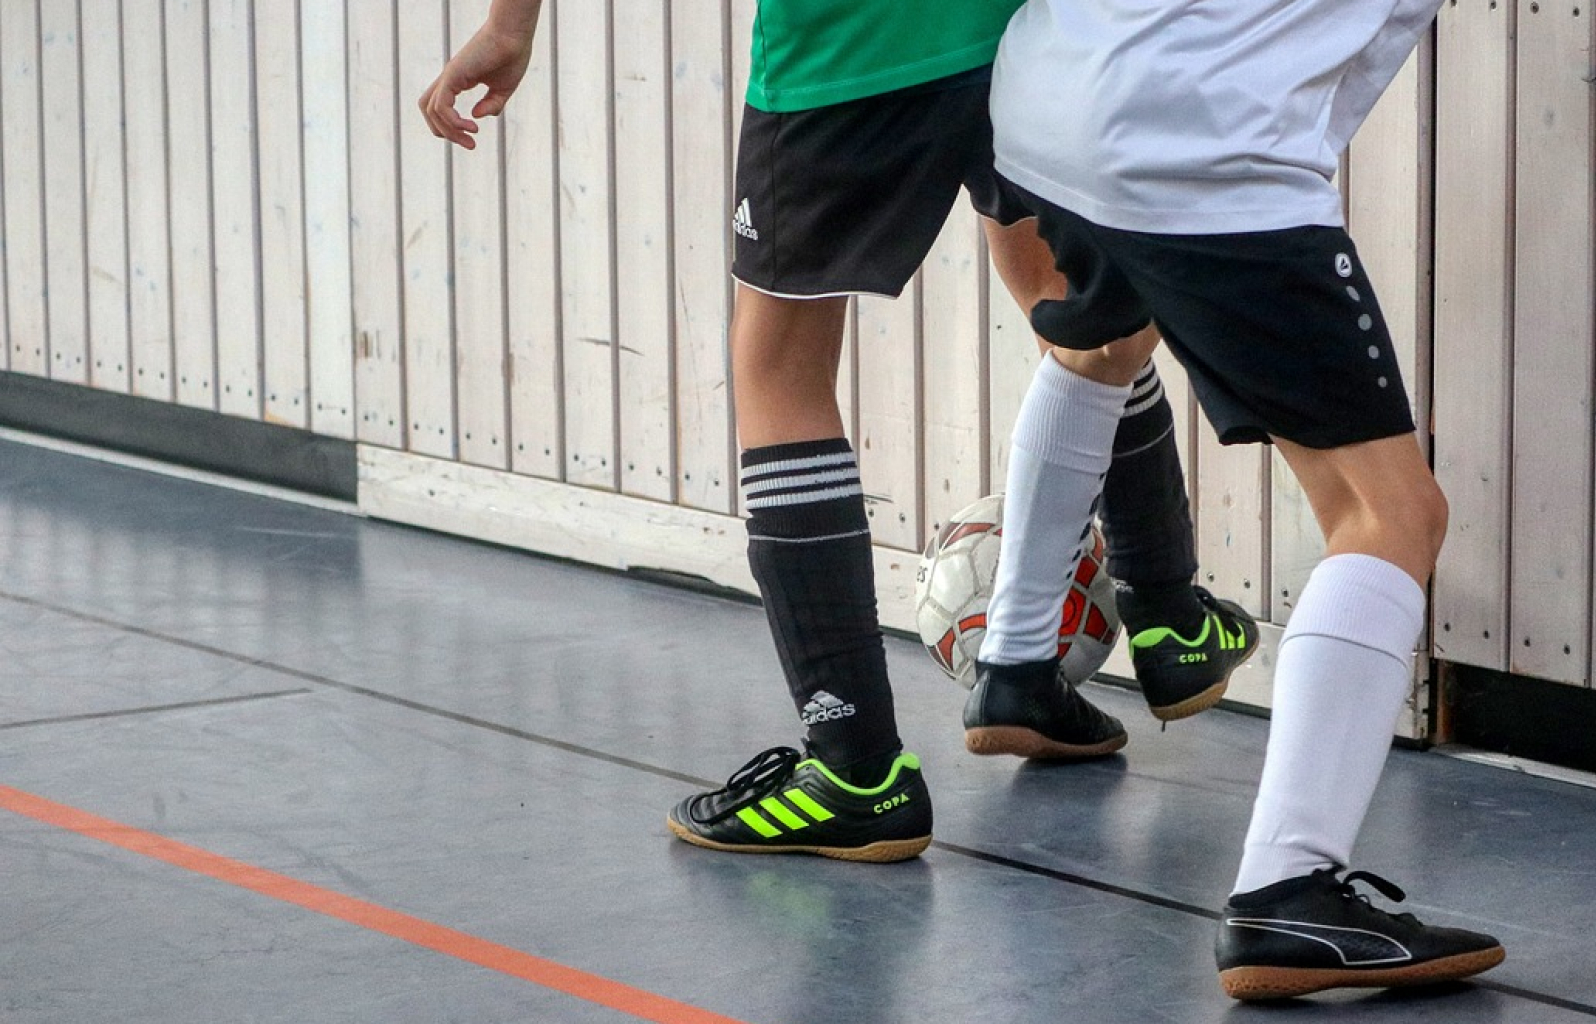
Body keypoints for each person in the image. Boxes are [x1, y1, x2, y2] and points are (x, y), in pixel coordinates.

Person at [417, 0, 1256, 863]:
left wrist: (510, 22)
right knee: (1074, 306)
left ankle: (858, 769)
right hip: (1027, 28)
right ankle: (1162, 618)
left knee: (779, 362)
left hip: (853, 40)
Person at [981, 0, 1507, 1000]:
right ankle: (1288, 885)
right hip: (1196, 143)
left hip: (1046, 102)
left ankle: (1016, 652)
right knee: (1390, 512)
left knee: (1100, 345)